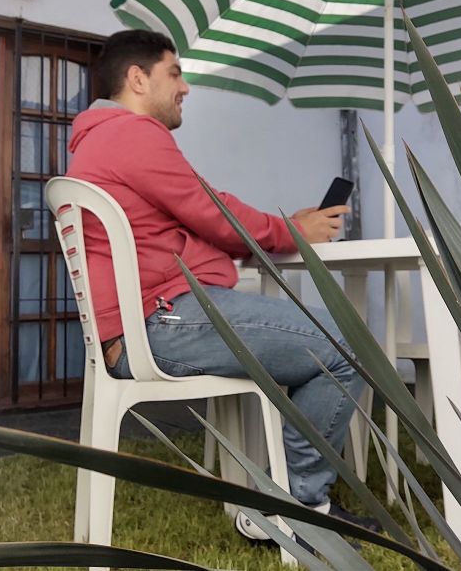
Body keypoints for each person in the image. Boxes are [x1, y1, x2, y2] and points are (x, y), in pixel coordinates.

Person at [65, 29, 378, 543]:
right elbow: (213, 211)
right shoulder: (130, 134)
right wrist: (292, 231)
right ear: (138, 79)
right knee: (345, 347)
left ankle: (288, 499)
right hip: (160, 320)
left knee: (331, 343)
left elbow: (195, 216)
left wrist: (276, 229)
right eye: (175, 73)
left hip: (143, 321)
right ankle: (296, 505)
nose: (185, 87)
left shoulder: (98, 140)